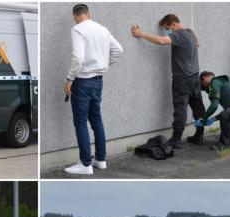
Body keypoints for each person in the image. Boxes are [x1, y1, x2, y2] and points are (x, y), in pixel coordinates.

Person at [64, 4, 124, 175]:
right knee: (96, 120)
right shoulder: (102, 29)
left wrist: (69, 79)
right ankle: (100, 159)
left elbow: (78, 57)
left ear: (75, 16)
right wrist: (104, 65)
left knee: (81, 122)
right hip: (98, 81)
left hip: (82, 81)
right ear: (88, 14)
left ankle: (85, 164)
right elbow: (119, 50)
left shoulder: (78, 29)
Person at [131, 14, 206, 148]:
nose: (168, 32)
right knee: (198, 107)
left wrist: (141, 34)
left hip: (182, 79)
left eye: (167, 28)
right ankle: (199, 135)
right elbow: (197, 44)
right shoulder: (190, 32)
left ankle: (176, 139)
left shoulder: (178, 34)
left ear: (173, 24)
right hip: (195, 76)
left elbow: (161, 41)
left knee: (180, 109)